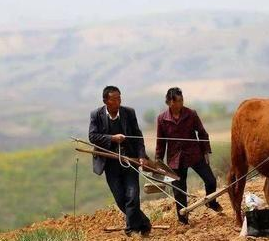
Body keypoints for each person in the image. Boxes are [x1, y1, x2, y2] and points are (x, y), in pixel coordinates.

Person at [89, 85, 151, 237]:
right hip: (109, 164)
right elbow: (92, 137)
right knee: (120, 199)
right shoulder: (96, 115)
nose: (118, 102)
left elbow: (138, 136)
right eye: (114, 99)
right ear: (105, 101)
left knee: (132, 196)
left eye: (119, 98)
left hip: (129, 161)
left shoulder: (128, 113)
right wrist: (112, 138)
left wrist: (142, 156)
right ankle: (144, 223)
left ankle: (132, 230)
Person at [155, 87, 223, 224]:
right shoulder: (162, 119)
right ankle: (183, 219)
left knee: (210, 181)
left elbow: (202, 133)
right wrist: (158, 162)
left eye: (182, 100)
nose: (181, 103)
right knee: (179, 190)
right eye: (178, 101)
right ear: (170, 102)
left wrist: (205, 152)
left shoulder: (191, 114)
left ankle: (211, 202)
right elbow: (161, 142)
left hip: (194, 154)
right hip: (175, 159)